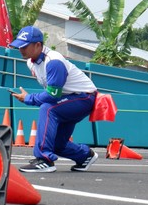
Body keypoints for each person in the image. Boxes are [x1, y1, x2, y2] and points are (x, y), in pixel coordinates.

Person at [8, 26, 99, 172]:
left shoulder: (54, 61)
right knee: (57, 144)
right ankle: (84, 155)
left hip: (84, 97)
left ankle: (44, 160)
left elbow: (52, 94)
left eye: (24, 46)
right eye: (19, 46)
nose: (20, 50)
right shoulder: (30, 62)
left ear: (38, 45)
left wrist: (28, 98)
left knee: (48, 108)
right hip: (68, 98)